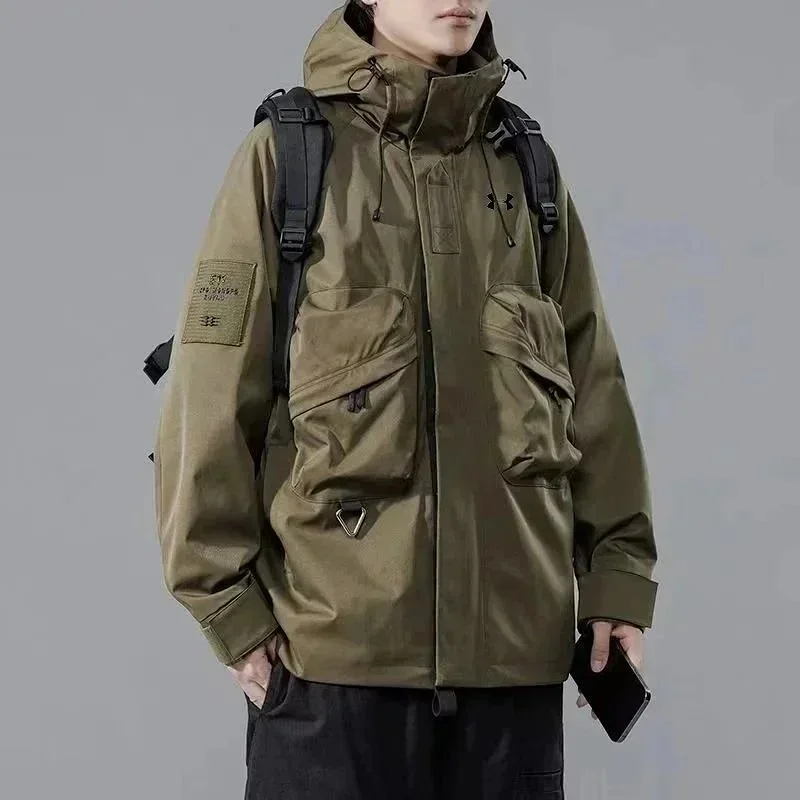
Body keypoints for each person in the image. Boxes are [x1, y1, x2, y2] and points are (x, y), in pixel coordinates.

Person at [153, 1, 659, 797]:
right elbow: (208, 397)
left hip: (511, 673)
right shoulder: (288, 159)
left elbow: (594, 390)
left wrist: (617, 581)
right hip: (333, 675)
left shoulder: (526, 167)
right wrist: (230, 614)